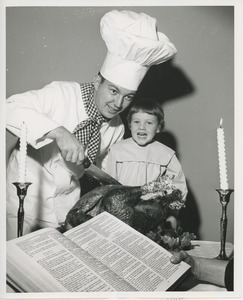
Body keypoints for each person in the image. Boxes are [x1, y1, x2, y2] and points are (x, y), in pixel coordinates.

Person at [6, 10, 177, 240]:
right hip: (20, 206)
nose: (118, 104)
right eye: (114, 91)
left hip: (64, 213)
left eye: (128, 97)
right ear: (98, 81)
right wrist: (58, 132)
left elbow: (102, 175)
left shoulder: (117, 129)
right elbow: (8, 108)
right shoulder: (61, 93)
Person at [104, 99, 188, 229]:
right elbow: (108, 185)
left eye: (149, 123)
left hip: (152, 214)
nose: (141, 127)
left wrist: (172, 214)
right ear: (130, 125)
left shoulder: (166, 154)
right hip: (121, 213)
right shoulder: (117, 150)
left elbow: (177, 187)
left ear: (159, 127)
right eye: (136, 122)